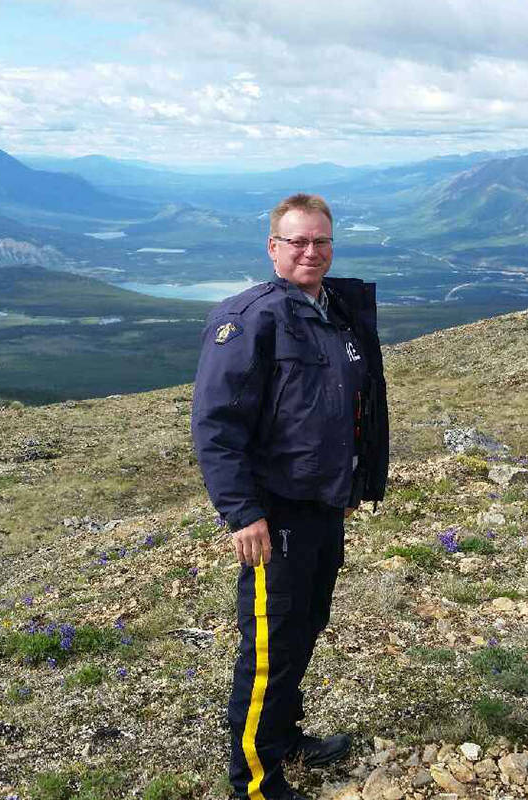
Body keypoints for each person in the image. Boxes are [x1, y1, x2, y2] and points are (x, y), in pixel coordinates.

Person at [191, 193, 389, 800]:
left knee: (304, 626)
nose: (312, 252)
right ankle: (254, 781)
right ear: (273, 248)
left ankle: (282, 736)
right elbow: (216, 425)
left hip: (322, 507)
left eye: (321, 241)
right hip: (273, 513)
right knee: (270, 644)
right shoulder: (252, 319)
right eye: (298, 241)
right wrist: (242, 512)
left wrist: (352, 484)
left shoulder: (337, 311)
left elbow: (352, 407)